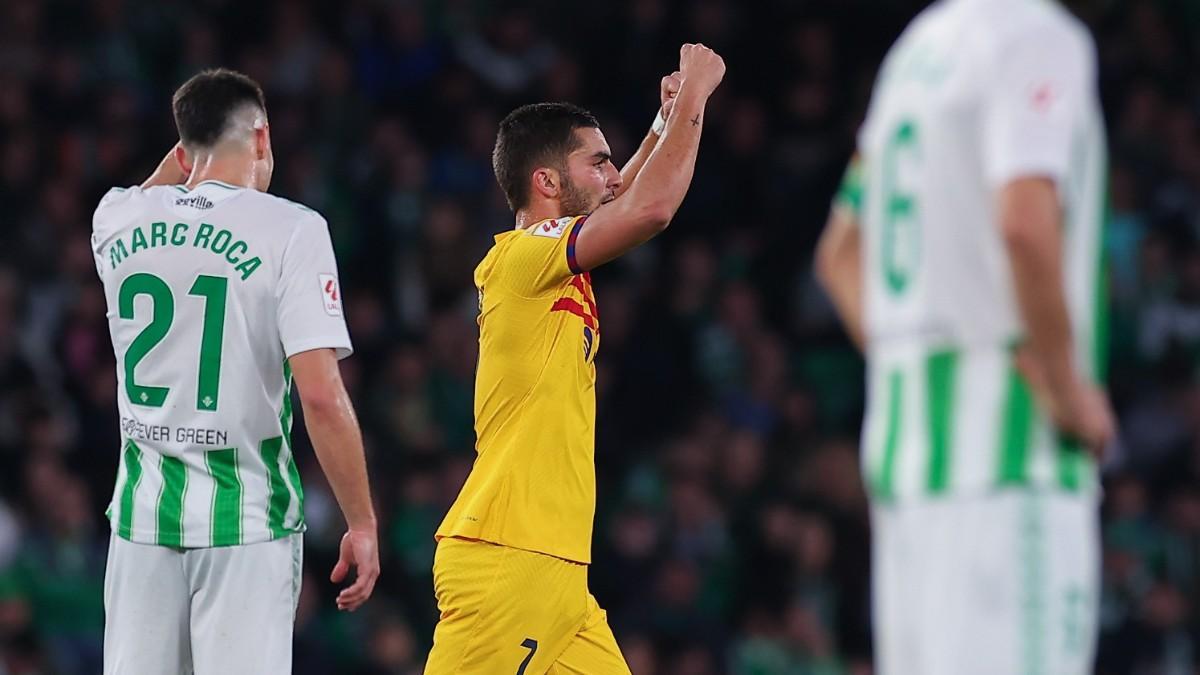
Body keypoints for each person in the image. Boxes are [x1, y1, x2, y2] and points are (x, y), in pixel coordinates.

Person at [815, 0, 1117, 673]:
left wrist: (917, 369)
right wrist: (1069, 387)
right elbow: (1025, 222)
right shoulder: (1039, 37)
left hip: (907, 469)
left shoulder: (916, 53)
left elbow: (840, 254)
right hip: (1012, 470)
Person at [425, 44, 725, 673]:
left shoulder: (550, 260)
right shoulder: (522, 257)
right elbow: (648, 209)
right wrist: (696, 93)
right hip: (507, 558)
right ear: (547, 183)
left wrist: (663, 122)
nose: (613, 174)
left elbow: (619, 197)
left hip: (560, 575)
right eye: (599, 161)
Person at [91, 68, 379, 674]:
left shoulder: (114, 219)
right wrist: (361, 520)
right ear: (263, 138)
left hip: (141, 523)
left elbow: (155, 192)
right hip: (247, 522)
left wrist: (184, 162)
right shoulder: (293, 230)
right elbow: (322, 398)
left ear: (180, 149)